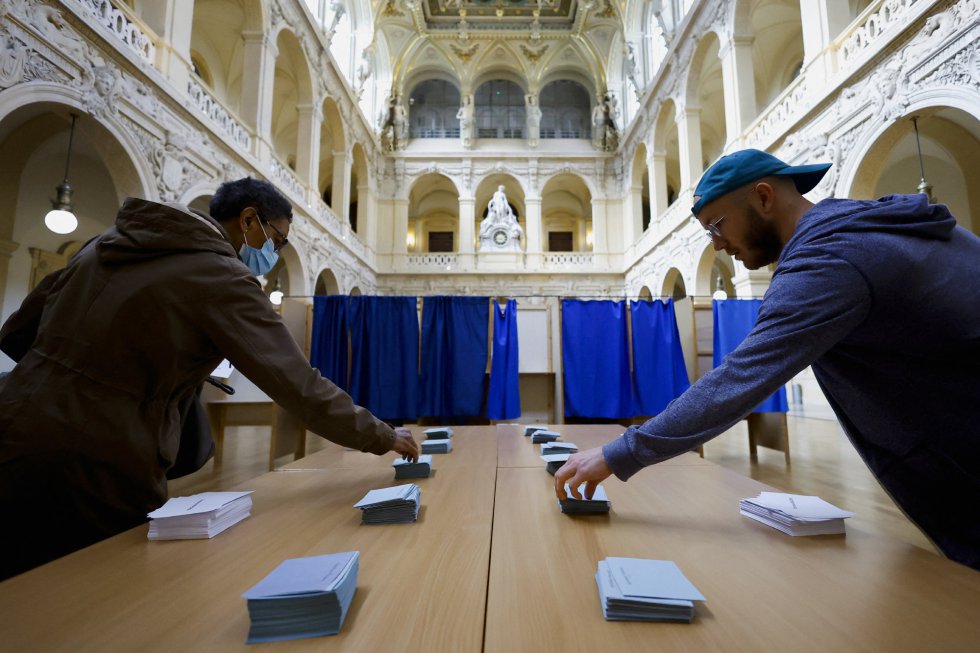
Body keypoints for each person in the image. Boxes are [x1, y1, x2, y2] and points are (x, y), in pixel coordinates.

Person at [555, 148, 980, 570]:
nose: (718, 244)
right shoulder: (863, 227)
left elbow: (741, 377)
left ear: (763, 197)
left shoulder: (827, 258)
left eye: (716, 226)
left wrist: (618, 454)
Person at [0, 178, 419, 580]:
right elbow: (297, 383)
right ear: (249, 220)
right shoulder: (221, 275)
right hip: (99, 453)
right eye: (279, 239)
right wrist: (380, 435)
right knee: (99, 589)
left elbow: (18, 331)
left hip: (16, 420)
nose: (276, 250)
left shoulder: (104, 244)